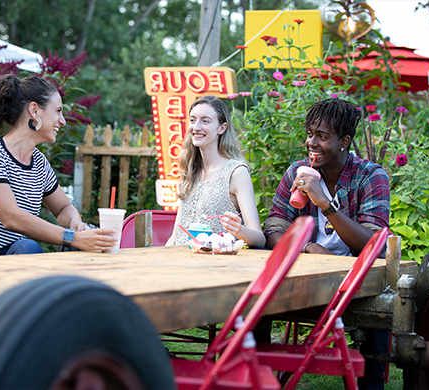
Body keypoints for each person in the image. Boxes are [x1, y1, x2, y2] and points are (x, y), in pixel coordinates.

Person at [263, 98, 390, 390]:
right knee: (259, 266)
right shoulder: (298, 172)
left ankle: (370, 383)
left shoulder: (370, 176)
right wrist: (306, 248)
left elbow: (374, 243)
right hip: (302, 274)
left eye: (322, 136)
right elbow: (274, 227)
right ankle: (261, 374)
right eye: (310, 134)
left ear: (344, 141)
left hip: (354, 280)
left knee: (378, 303)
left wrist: (325, 203)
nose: (312, 143)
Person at [0, 74, 116, 257]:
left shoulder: (38, 162)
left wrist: (76, 224)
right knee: (29, 248)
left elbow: (63, 209)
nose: (63, 121)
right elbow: (11, 218)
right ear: (34, 111)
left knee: (60, 249)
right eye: (58, 111)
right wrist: (72, 237)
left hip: (14, 258)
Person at [166, 95, 265, 248]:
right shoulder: (190, 169)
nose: (196, 127)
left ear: (222, 128)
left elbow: (259, 238)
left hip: (216, 267)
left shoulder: (236, 172)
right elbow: (175, 237)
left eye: (205, 121)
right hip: (180, 265)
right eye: (192, 120)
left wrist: (240, 231)